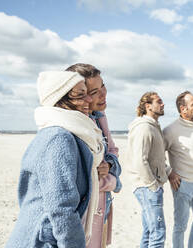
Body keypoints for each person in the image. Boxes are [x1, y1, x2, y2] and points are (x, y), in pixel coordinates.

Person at [6, 71, 106, 248]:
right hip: (41, 241)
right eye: (80, 95)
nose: (89, 100)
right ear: (59, 100)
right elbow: (62, 208)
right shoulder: (58, 137)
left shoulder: (70, 134)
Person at [66, 63, 122, 248]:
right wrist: (113, 182)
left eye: (103, 86)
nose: (103, 94)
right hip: (85, 216)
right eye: (94, 91)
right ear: (80, 95)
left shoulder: (99, 116)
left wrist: (111, 167)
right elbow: (87, 180)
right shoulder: (72, 127)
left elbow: (113, 152)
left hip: (103, 207)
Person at [163, 91, 193, 248]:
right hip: (183, 186)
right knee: (180, 226)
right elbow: (156, 155)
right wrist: (169, 172)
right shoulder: (170, 130)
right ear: (183, 109)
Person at [127, 92, 171, 248]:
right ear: (148, 106)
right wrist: (153, 185)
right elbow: (140, 160)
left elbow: (156, 159)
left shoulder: (153, 127)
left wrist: (169, 173)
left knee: (149, 231)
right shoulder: (144, 128)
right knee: (158, 233)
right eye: (159, 101)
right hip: (147, 187)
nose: (163, 104)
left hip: (150, 186)